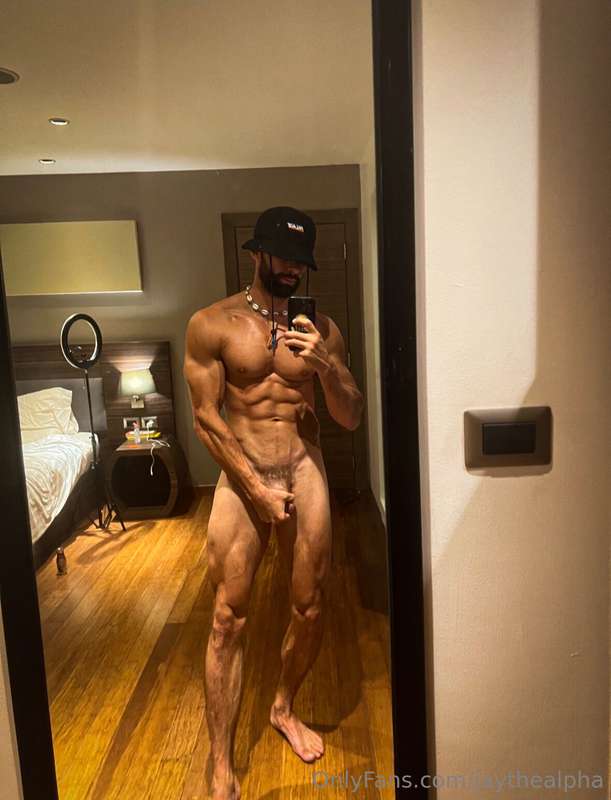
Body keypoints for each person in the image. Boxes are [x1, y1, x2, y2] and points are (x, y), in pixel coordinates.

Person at [183, 206, 363, 800]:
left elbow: (350, 416)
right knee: (226, 619)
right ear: (257, 253)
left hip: (304, 468)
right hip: (244, 474)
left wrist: (326, 366)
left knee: (309, 607)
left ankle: (283, 707)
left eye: (300, 261)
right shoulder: (212, 324)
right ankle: (221, 764)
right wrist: (256, 489)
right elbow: (206, 419)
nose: (292, 269)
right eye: (282, 257)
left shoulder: (322, 329)